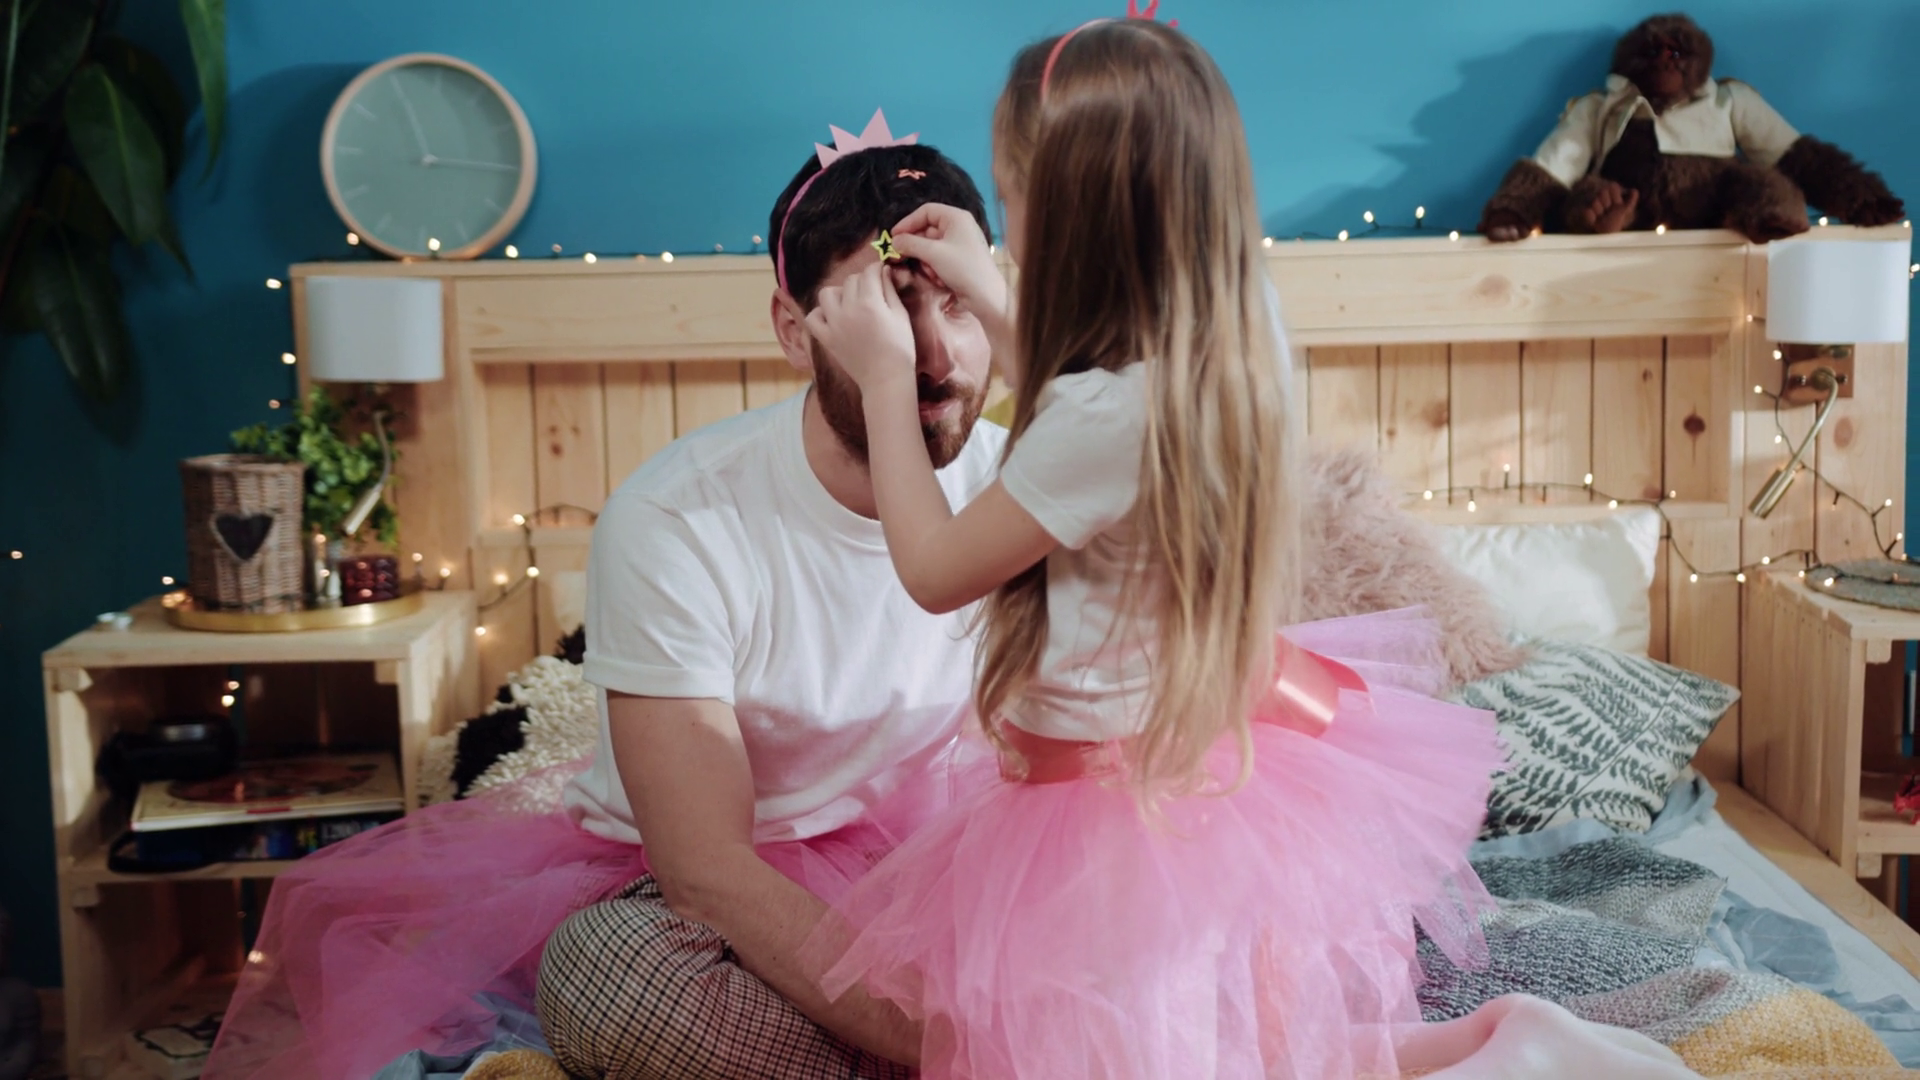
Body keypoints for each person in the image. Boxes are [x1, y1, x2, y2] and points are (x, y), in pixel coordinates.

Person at [203, 124, 1004, 1080]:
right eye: (886, 308)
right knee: (610, 978)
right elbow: (706, 872)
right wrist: (951, 1040)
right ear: (795, 329)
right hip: (721, 897)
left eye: (956, 303)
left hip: (944, 874)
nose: (932, 355)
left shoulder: (1032, 487)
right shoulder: (676, 516)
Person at [796, 17, 1505, 1079]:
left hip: (1097, 821)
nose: (1008, 232)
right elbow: (1090, 409)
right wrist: (985, 291)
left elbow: (936, 571)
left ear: (1073, 216)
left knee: (1113, 1046)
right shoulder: (1232, 339)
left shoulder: (1104, 418)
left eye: (1014, 199)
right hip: (1191, 777)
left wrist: (886, 378)